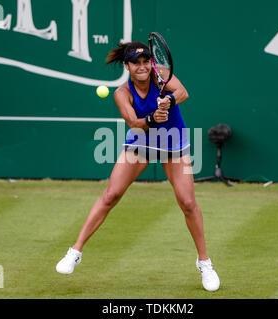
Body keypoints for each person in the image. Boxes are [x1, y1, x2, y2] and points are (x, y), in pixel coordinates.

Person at [55, 41, 220, 292]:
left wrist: (169, 102)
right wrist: (154, 117)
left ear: (151, 63)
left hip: (173, 143)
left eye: (146, 62)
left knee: (187, 202)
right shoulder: (122, 93)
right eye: (136, 63)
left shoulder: (161, 74)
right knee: (111, 195)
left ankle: (204, 263)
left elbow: (183, 92)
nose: (142, 67)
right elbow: (133, 123)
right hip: (141, 140)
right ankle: (75, 252)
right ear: (127, 66)